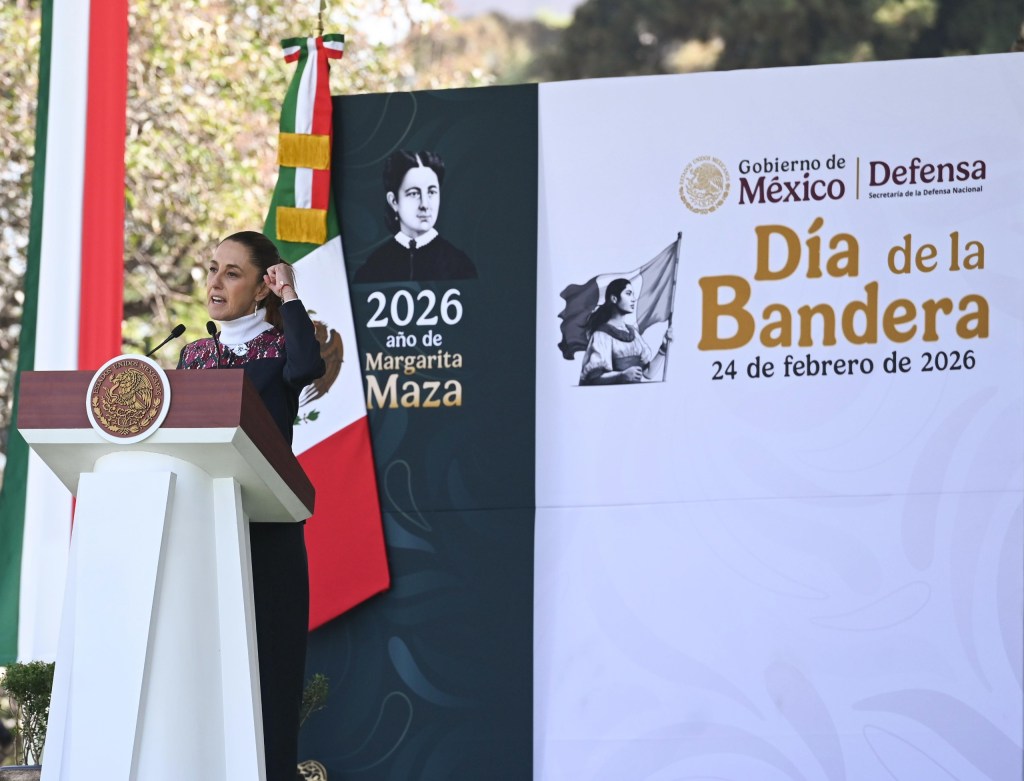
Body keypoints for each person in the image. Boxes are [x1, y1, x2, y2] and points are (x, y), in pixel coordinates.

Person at [177, 230, 325, 781]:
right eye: (212, 268)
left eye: (232, 272)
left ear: (261, 286)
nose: (215, 282)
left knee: (270, 675)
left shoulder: (282, 347)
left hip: (266, 529)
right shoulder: (192, 356)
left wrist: (289, 295)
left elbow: (308, 369)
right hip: (203, 532)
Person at [354, 149, 477, 283]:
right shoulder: (373, 267)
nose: (425, 204)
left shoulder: (459, 266)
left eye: (431, 192)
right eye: (414, 193)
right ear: (394, 201)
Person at [579, 278, 671, 385]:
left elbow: (648, 373)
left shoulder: (633, 333)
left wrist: (663, 348)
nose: (633, 299)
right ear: (614, 298)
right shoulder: (601, 335)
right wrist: (622, 375)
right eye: (628, 294)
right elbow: (594, 378)